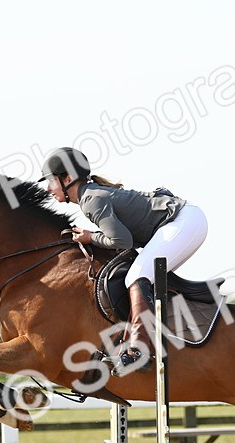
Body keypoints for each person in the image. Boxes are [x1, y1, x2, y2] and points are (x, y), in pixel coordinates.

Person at [40, 147, 208, 371]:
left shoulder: (90, 200)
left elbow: (122, 241)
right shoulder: (90, 195)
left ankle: (139, 349)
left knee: (136, 276)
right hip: (183, 220)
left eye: (51, 181)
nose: (48, 188)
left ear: (68, 179)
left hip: (184, 222)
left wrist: (91, 237)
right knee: (142, 274)